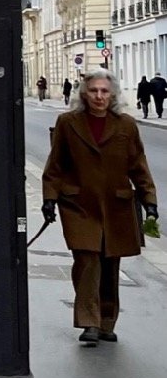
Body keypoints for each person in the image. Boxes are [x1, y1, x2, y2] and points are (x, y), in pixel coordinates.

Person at [42, 70, 157, 347]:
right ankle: (89, 322)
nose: (99, 96)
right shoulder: (68, 123)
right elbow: (55, 165)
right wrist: (49, 199)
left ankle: (107, 322)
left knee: (109, 263)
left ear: (113, 95)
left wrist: (149, 202)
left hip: (116, 205)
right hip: (78, 204)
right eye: (93, 91)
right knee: (87, 261)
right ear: (84, 93)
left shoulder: (126, 125)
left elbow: (138, 166)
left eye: (104, 91)